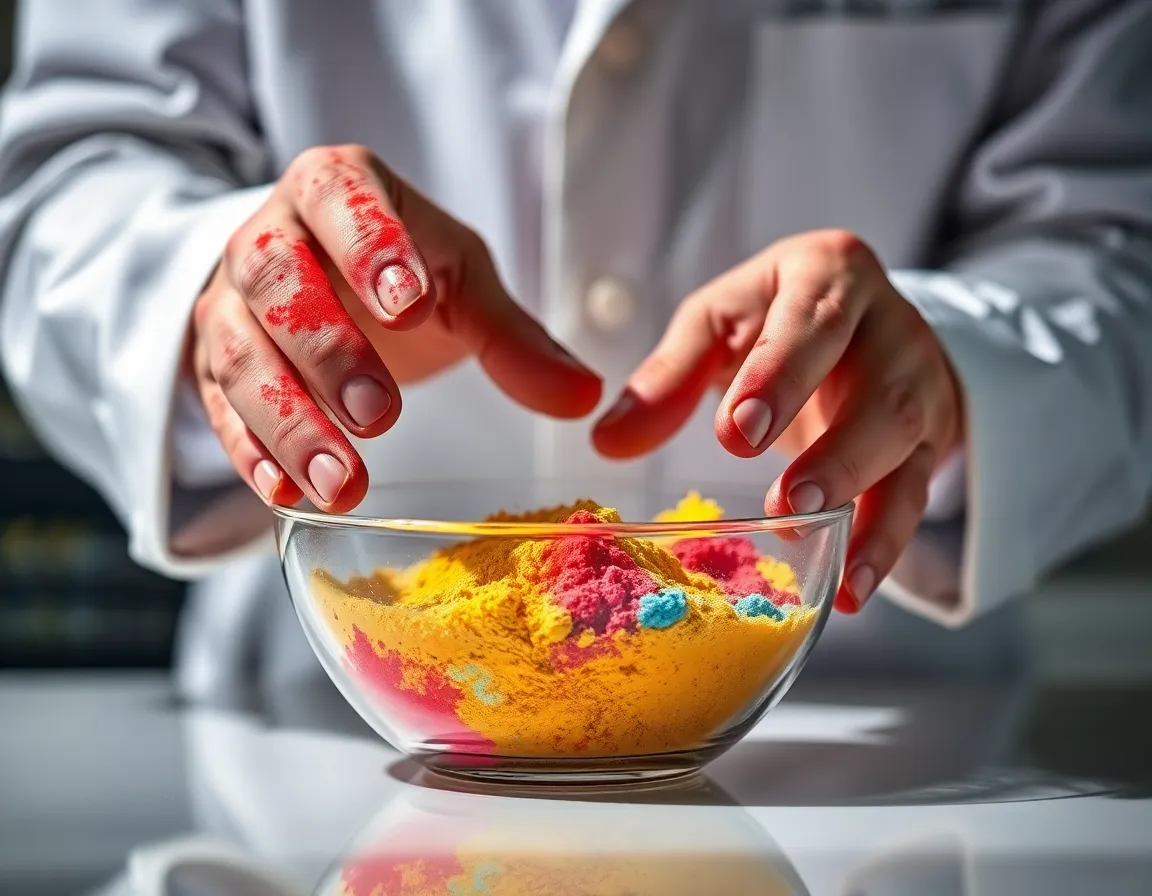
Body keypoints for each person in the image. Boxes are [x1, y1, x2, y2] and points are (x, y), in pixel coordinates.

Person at [1, 1, 1150, 696]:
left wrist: (952, 376)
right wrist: (220, 302)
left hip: (876, 749)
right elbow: (68, 185)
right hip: (327, 731)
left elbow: (1120, 253)